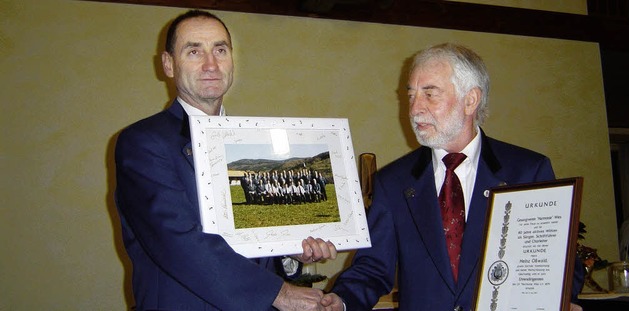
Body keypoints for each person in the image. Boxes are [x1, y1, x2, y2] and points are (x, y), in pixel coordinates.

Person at [321, 43, 584, 311]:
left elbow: (560, 263)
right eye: (411, 96)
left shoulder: (528, 171)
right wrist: (340, 301)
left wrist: (560, 300)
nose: (414, 109)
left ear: (470, 100)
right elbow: (373, 268)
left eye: (429, 94)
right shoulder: (393, 182)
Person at [114, 10, 337, 311]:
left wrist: (290, 250)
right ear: (169, 64)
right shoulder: (143, 142)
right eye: (194, 51)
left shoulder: (249, 143)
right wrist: (278, 293)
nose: (211, 64)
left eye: (220, 50)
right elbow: (177, 243)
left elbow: (247, 235)